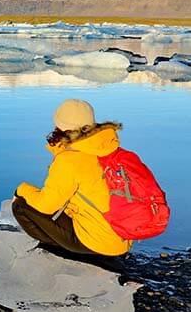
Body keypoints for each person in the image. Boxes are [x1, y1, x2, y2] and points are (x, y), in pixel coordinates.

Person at [12, 99, 131, 257]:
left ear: (61, 127)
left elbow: (45, 206)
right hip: (122, 238)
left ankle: (67, 254)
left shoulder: (70, 159)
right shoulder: (107, 149)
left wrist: (21, 189)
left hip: (99, 243)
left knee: (21, 205)